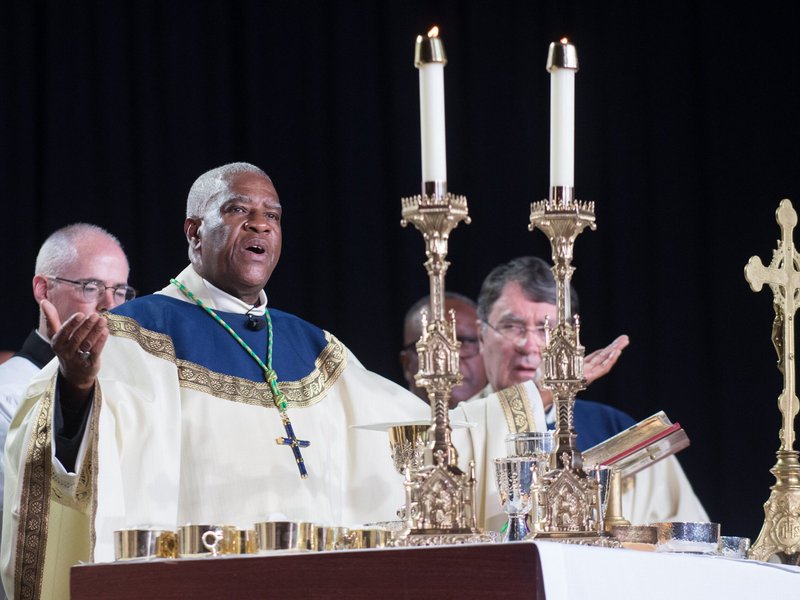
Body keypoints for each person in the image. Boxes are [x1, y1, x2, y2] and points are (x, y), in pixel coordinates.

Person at [1, 163, 432, 600]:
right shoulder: (129, 334)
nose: (260, 223)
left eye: (273, 215)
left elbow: (417, 426)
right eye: (238, 209)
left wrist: (492, 420)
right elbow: (61, 454)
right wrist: (76, 388)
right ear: (194, 232)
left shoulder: (317, 347)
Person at [455, 256, 708, 531]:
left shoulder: (615, 429)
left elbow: (685, 538)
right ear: (481, 336)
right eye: (512, 327)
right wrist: (549, 389)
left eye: (546, 329)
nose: (529, 345)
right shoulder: (458, 430)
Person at [0, 224, 133, 599]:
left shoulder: (128, 391)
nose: (110, 304)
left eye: (120, 290)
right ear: (44, 289)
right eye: (91, 287)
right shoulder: (9, 390)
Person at [399, 292, 488, 408]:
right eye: (434, 346)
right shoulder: (382, 420)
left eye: (465, 342)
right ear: (407, 364)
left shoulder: (508, 422)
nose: (451, 359)